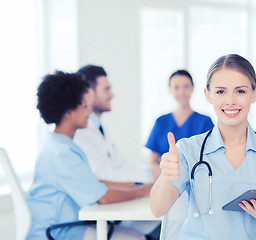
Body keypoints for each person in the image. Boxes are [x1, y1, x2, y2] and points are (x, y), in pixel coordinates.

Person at [150, 54, 256, 240]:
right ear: (207, 95)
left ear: (254, 93)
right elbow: (157, 209)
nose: (230, 100)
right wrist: (166, 178)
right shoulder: (188, 150)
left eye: (240, 91)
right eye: (220, 92)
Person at [27, 71, 152, 240]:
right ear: (68, 112)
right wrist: (142, 190)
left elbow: (94, 184)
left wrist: (136, 185)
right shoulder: (63, 153)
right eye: (84, 106)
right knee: (136, 237)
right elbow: (104, 197)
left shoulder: (59, 144)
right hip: (60, 231)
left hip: (65, 226)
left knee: (134, 233)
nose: (88, 112)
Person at [74, 65, 160, 238]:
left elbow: (120, 161)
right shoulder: (80, 131)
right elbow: (102, 173)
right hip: (91, 216)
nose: (112, 94)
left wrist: (149, 172)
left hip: (108, 207)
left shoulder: (98, 126)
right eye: (106, 89)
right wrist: (147, 178)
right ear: (88, 93)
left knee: (159, 219)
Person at [145, 69, 213, 238]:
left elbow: (211, 161)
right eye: (176, 87)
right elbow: (153, 161)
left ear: (192, 88)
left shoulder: (205, 122)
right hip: (165, 187)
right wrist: (166, 178)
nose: (181, 92)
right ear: (170, 90)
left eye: (185, 86)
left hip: (195, 192)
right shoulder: (161, 122)